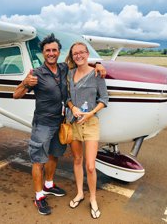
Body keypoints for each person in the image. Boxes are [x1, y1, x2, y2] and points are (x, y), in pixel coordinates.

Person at [11, 34, 105, 215]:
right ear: (43, 53)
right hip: (43, 124)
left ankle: (48, 184)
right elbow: (16, 94)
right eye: (48, 51)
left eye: (54, 50)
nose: (51, 53)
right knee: (39, 161)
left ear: (59, 52)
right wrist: (24, 83)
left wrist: (99, 65)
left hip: (61, 122)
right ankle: (39, 196)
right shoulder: (36, 73)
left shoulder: (64, 68)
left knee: (54, 155)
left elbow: (82, 63)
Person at [64, 42, 108, 219]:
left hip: (90, 123)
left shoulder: (97, 74)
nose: (79, 56)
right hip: (73, 122)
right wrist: (72, 107)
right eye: (75, 53)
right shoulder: (69, 74)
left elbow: (104, 99)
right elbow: (67, 97)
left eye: (82, 52)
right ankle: (80, 193)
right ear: (72, 56)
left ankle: (93, 198)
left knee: (90, 166)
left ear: (87, 54)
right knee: (76, 159)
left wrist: (91, 113)